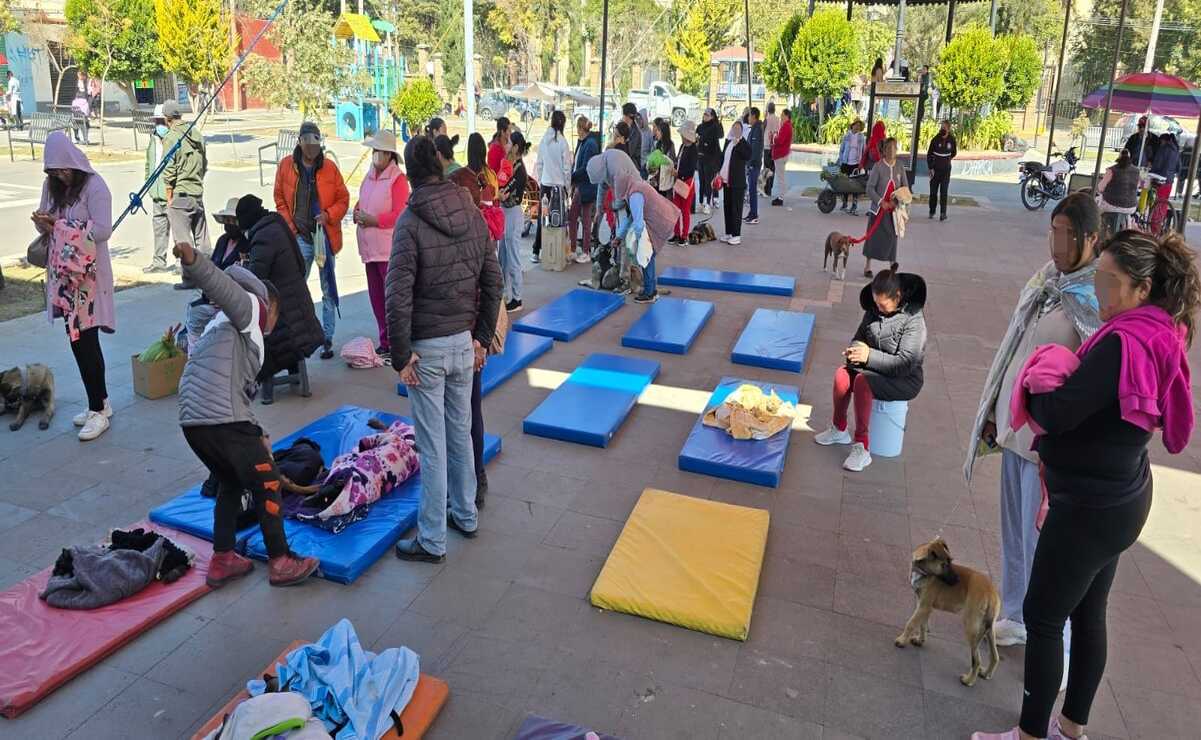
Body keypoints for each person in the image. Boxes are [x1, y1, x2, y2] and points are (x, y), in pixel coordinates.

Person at [972, 230, 1198, 740]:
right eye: (1098, 277)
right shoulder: (1160, 331)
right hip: (1121, 498)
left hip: (1090, 507)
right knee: (1088, 612)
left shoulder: (1122, 343)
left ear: (1142, 288)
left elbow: (1060, 413)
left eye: (1108, 281)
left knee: (1044, 616)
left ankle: (1032, 734)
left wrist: (1035, 386)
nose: (1099, 289)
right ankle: (1071, 728)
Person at [964, 193, 1102, 684]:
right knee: (1014, 534)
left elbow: (1092, 380)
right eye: (1052, 231)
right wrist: (993, 410)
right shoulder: (1046, 279)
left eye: (1065, 234)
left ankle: (1054, 644)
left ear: (1090, 238)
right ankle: (1018, 615)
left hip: (1048, 445)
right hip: (1015, 431)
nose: (1056, 243)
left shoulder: (1096, 297)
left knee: (1045, 544)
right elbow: (1014, 345)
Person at [172, 240, 320, 588]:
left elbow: (236, 393)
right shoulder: (249, 308)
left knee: (230, 482)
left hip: (194, 421)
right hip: (219, 418)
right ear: (269, 304)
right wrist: (195, 262)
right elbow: (221, 285)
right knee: (268, 482)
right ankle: (281, 560)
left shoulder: (220, 328)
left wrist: (257, 433)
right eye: (278, 315)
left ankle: (223, 558)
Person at [386, 136, 503, 564]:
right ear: (438, 163)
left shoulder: (410, 221)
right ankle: (465, 514)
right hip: (461, 345)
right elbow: (494, 280)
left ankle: (432, 538)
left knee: (433, 446)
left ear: (410, 174)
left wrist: (400, 356)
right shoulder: (471, 213)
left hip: (429, 349)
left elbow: (396, 295)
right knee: (460, 435)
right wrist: (480, 337)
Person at [32, 131, 113, 441]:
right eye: (53, 172)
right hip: (65, 277)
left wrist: (61, 226)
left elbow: (103, 229)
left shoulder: (95, 186)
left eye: (62, 170)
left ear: (73, 163)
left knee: (87, 340)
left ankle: (99, 408)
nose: (59, 176)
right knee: (76, 340)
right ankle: (99, 403)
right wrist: (43, 221)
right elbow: (49, 219)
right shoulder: (51, 186)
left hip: (88, 278)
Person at [814, 269, 927, 472]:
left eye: (882, 305)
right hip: (875, 368)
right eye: (876, 303)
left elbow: (905, 363)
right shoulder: (873, 310)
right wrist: (854, 351)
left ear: (898, 296)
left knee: (862, 383)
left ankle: (861, 447)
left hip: (906, 378)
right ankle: (839, 429)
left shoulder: (914, 320)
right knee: (842, 374)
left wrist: (868, 357)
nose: (878, 308)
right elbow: (859, 336)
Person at [273, 121, 350, 360]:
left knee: (328, 289)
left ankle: (327, 338)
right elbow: (279, 198)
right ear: (300, 144)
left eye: (315, 148)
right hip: (300, 237)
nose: (311, 152)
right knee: (297, 287)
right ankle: (299, 334)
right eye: (307, 147)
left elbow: (343, 199)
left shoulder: (330, 168)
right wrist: (291, 226)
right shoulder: (286, 166)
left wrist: (328, 216)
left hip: (324, 237)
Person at [240, 194, 324, 403]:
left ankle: (265, 386)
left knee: (257, 329)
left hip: (285, 314)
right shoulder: (278, 226)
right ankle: (296, 370)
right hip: (300, 305)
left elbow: (255, 278)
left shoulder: (263, 237)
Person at [586, 147, 680, 304]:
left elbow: (637, 223)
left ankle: (650, 293)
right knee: (647, 256)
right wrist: (619, 237)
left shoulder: (635, 194)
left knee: (646, 256)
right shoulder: (631, 188)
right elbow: (629, 219)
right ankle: (651, 289)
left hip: (660, 220)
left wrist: (637, 243)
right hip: (657, 218)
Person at [354, 130, 410, 360]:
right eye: (373, 151)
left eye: (378, 151)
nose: (375, 155)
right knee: (376, 297)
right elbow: (362, 200)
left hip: (387, 250)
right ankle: (384, 340)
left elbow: (399, 214)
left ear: (389, 155)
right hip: (369, 250)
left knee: (391, 300)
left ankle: (398, 342)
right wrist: (358, 212)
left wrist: (374, 220)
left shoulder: (398, 179)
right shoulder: (369, 176)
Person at [161, 100, 211, 288]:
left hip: (181, 194)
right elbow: (204, 164)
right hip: (197, 192)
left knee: (183, 242)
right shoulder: (196, 134)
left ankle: (189, 279)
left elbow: (169, 171)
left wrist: (169, 198)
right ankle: (210, 276)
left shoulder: (172, 137)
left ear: (167, 119)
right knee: (202, 240)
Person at [137, 105, 176, 274]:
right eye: (156, 121)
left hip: (172, 194)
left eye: (161, 121)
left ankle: (183, 265)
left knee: (178, 231)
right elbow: (149, 162)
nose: (159, 125)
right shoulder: (153, 139)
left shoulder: (175, 139)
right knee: (159, 230)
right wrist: (149, 184)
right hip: (156, 194)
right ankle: (159, 262)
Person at [864, 137, 908, 277]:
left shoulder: (900, 166)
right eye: (888, 148)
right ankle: (867, 266)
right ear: (883, 150)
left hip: (893, 211)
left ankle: (892, 266)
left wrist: (897, 202)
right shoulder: (878, 166)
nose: (891, 151)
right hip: (878, 210)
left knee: (892, 238)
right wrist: (881, 202)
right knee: (873, 237)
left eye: (894, 148)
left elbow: (905, 187)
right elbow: (870, 189)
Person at [531, 109, 572, 264]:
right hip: (559, 188)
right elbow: (567, 168)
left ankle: (536, 251)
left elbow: (539, 163)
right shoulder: (563, 142)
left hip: (545, 186)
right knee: (560, 218)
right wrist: (567, 187)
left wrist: (543, 179)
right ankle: (560, 252)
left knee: (544, 217)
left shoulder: (544, 140)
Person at [498, 131, 530, 312]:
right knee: (503, 254)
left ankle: (517, 298)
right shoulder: (508, 164)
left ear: (516, 147)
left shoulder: (519, 169)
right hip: (505, 212)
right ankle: (504, 292)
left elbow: (505, 191)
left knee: (513, 255)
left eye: (509, 142)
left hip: (513, 212)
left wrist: (498, 193)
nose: (506, 145)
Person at [569, 116, 601, 262]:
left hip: (585, 185)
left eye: (577, 128)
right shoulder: (586, 142)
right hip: (583, 185)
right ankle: (580, 249)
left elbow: (585, 167)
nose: (576, 131)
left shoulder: (589, 144)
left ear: (581, 128)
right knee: (582, 217)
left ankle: (581, 250)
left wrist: (571, 177)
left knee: (578, 216)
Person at [718, 120, 751, 245]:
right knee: (727, 207)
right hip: (727, 181)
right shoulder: (728, 142)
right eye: (734, 128)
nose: (735, 130)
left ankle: (736, 235)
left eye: (738, 128)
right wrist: (718, 173)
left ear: (741, 130)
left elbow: (748, 155)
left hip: (737, 183)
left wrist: (739, 143)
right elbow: (723, 158)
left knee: (736, 209)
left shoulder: (743, 143)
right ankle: (729, 232)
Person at [1097, 149, 1139, 236]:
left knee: (1095, 208)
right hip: (1131, 207)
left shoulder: (1111, 170)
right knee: (1125, 213)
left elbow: (1100, 187)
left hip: (1111, 205)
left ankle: (1098, 232)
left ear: (1119, 157)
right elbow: (1137, 186)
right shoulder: (1137, 171)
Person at [670, 120, 698, 245]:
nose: (681, 136)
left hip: (687, 182)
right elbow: (679, 162)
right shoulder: (682, 147)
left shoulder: (693, 149)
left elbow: (690, 170)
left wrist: (678, 173)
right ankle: (676, 234)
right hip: (679, 181)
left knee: (685, 210)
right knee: (676, 209)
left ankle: (684, 235)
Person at [1149, 132, 1180, 233]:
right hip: (1170, 181)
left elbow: (1157, 164)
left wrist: (1151, 171)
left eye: (1160, 141)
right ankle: (1159, 225)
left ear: (1164, 141)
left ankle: (1154, 227)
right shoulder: (1176, 150)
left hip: (1160, 179)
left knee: (1157, 202)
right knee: (1164, 203)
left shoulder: (1163, 149)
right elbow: (1178, 167)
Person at [926, 120, 957, 222]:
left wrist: (945, 160)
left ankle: (943, 213)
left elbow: (953, 153)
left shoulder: (952, 140)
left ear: (948, 129)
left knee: (944, 192)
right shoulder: (935, 140)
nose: (942, 129)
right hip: (935, 170)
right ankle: (932, 210)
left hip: (946, 171)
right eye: (941, 127)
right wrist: (931, 167)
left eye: (944, 128)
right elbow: (929, 154)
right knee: (933, 192)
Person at [696, 108, 723, 215]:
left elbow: (721, 134)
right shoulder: (700, 127)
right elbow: (696, 137)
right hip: (700, 157)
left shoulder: (715, 126)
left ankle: (709, 203)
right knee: (702, 181)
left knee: (709, 181)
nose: (705, 116)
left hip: (711, 158)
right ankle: (701, 202)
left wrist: (719, 122)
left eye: (707, 114)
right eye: (704, 114)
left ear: (712, 116)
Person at [838, 120, 866, 213]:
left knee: (855, 186)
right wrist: (842, 160)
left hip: (856, 164)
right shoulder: (846, 136)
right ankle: (844, 203)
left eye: (859, 126)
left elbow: (864, 151)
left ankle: (854, 205)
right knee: (845, 184)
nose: (857, 127)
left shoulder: (862, 137)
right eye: (856, 125)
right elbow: (841, 150)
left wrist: (862, 163)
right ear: (852, 126)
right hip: (846, 163)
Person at [744, 107, 764, 225]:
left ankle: (754, 215)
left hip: (754, 165)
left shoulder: (757, 130)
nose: (748, 118)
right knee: (750, 190)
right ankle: (751, 213)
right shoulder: (754, 128)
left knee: (752, 190)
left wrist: (750, 163)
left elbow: (755, 150)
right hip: (751, 164)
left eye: (749, 115)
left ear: (754, 116)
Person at [769, 108, 792, 207]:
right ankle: (780, 196)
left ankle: (781, 198)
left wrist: (773, 137)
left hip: (780, 154)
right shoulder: (786, 126)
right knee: (780, 177)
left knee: (780, 177)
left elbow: (780, 141)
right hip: (781, 153)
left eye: (782, 115)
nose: (781, 116)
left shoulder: (786, 126)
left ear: (787, 116)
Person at [650, 118, 677, 199]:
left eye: (658, 130)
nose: (656, 132)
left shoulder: (670, 145)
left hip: (666, 181)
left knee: (666, 203)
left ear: (663, 132)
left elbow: (671, 162)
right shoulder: (657, 144)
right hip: (657, 180)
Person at [762, 102, 781, 199]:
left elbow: (762, 131)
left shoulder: (766, 120)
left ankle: (766, 188)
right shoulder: (778, 120)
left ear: (768, 110)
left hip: (766, 146)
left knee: (766, 168)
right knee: (773, 168)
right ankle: (770, 188)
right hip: (775, 147)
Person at [621, 103, 642, 173]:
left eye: (623, 115)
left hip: (632, 168)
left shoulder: (635, 132)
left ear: (628, 115)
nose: (622, 117)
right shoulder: (624, 128)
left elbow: (630, 152)